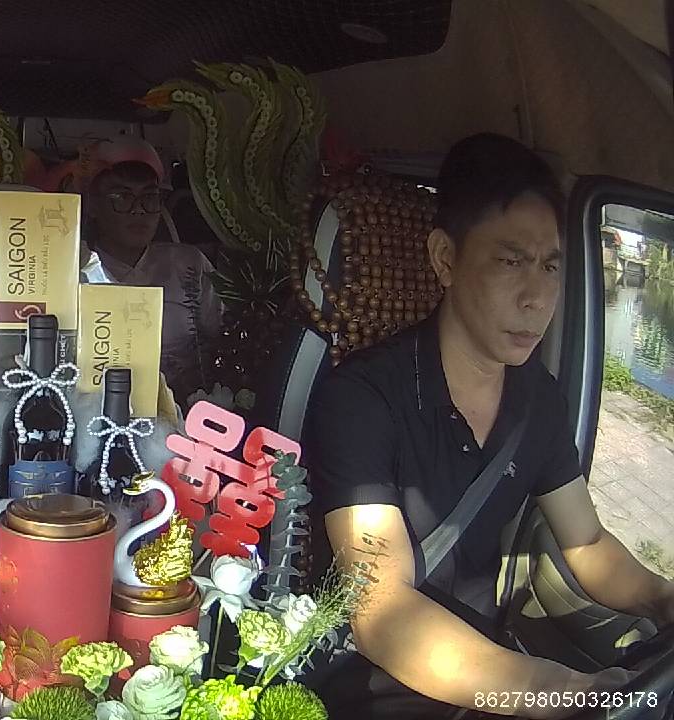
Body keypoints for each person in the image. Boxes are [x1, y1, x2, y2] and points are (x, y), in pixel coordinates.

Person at [304, 133, 674, 719]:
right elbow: (381, 611)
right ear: (445, 259)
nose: (537, 298)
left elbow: (588, 543)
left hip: (486, 680)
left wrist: (662, 598)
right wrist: (553, 691)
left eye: (550, 266)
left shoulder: (537, 399)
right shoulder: (364, 398)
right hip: (376, 691)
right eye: (510, 261)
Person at [78, 137, 223, 405]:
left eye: (149, 198)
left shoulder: (188, 264)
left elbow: (223, 340)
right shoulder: (74, 272)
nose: (139, 210)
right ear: (94, 205)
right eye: (123, 197)